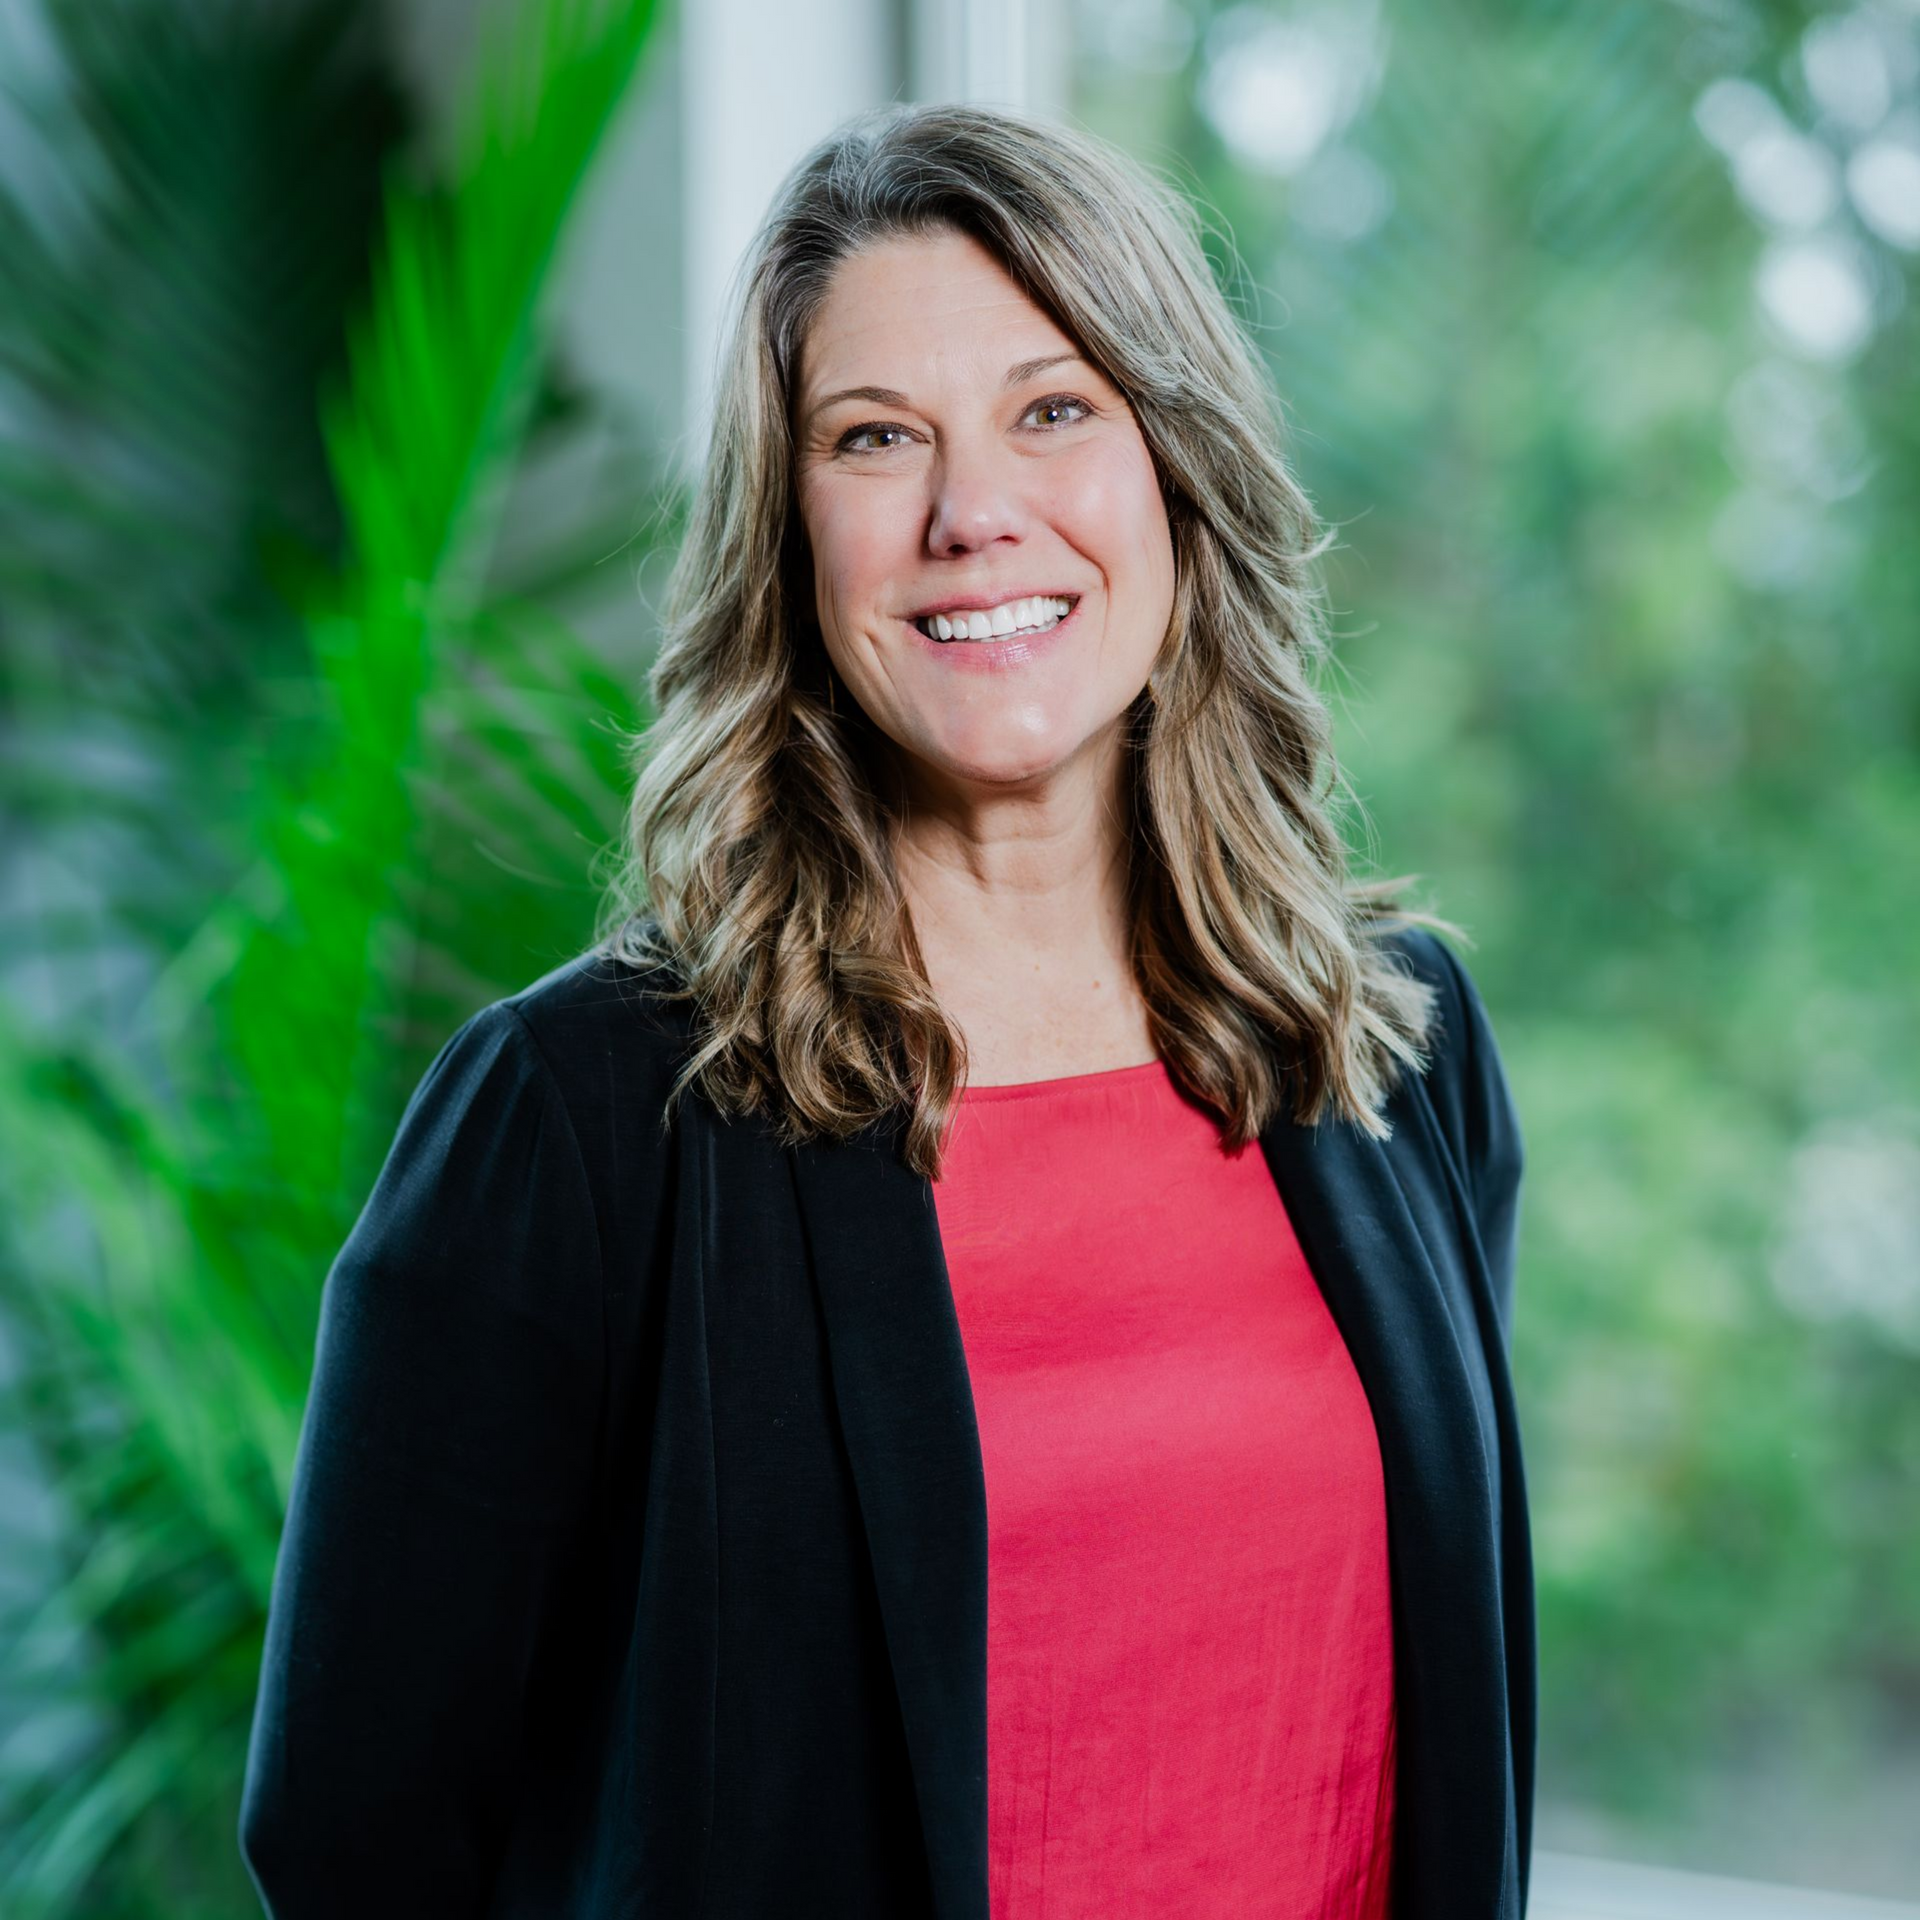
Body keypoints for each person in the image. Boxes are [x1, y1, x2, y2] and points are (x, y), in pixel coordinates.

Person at [239, 101, 1533, 1920]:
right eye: (874, 439)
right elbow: (352, 1836)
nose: (971, 513)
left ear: (1181, 470)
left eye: (1055, 409)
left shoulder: (1397, 1048)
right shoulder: (580, 1118)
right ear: (790, 540)